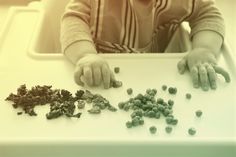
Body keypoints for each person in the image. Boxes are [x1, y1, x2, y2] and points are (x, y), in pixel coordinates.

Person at [60, 0, 230, 91]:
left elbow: (207, 14)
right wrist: (85, 55)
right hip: (100, 78)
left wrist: (204, 49)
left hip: (152, 74)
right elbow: (73, 19)